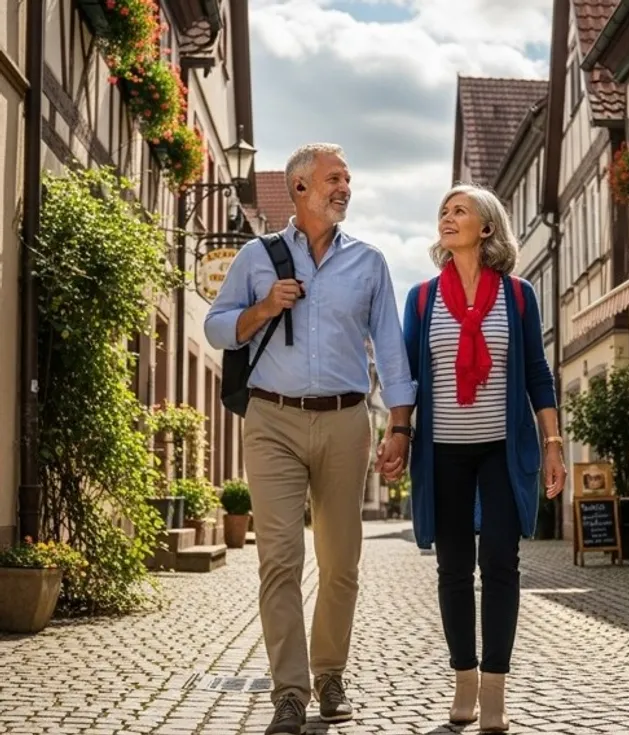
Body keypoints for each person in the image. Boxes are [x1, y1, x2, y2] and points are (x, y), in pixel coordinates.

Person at [204, 143, 416, 735]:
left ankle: (329, 672)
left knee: (342, 560)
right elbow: (218, 326)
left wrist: (399, 426)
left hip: (347, 421)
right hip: (272, 420)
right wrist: (264, 307)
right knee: (280, 559)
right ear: (300, 189)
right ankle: (290, 692)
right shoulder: (256, 257)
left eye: (348, 178)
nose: (344, 187)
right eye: (332, 179)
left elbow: (393, 353)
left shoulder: (369, 263)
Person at [382, 183, 566, 733]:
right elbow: (408, 378)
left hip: (501, 452)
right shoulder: (421, 298)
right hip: (444, 455)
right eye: (443, 210)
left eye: (459, 210)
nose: (447, 216)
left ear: (486, 228)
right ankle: (463, 677)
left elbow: (537, 372)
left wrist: (552, 443)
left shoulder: (518, 295)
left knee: (502, 566)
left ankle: (495, 690)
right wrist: (397, 432)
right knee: (454, 570)